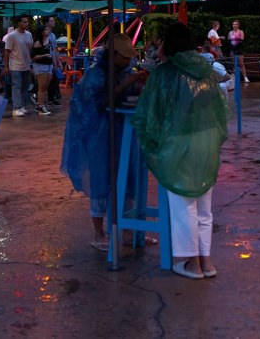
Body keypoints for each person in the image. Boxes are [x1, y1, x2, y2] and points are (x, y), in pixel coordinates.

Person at [134, 22, 228, 280]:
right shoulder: (206, 71)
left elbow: (150, 113)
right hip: (207, 141)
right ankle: (206, 262)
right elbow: (221, 109)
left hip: (179, 143)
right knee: (204, 206)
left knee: (183, 205)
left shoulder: (165, 73)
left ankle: (190, 263)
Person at [60, 34, 145, 251]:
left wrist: (139, 85)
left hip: (123, 130)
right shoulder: (95, 75)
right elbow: (99, 104)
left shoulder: (125, 71)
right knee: (102, 181)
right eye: (125, 58)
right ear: (114, 55)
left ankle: (126, 231)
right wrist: (127, 83)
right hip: (99, 133)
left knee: (126, 178)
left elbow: (130, 94)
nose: (128, 62)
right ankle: (99, 233)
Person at [4, 16, 33, 117]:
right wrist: (6, 66)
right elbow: (7, 51)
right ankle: (16, 107)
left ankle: (22, 106)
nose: (26, 24)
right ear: (19, 23)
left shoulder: (29, 35)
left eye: (27, 22)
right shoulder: (12, 36)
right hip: (15, 65)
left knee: (25, 86)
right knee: (17, 86)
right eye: (24, 22)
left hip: (26, 65)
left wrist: (31, 63)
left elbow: (30, 49)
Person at [31, 24, 55, 115]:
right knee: (41, 87)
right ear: (42, 32)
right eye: (46, 30)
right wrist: (44, 55)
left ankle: (38, 104)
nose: (48, 31)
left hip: (49, 65)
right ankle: (41, 107)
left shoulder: (49, 40)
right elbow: (33, 57)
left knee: (45, 86)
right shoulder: (38, 43)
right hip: (41, 65)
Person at [46, 17, 63, 106]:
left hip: (52, 61)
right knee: (50, 80)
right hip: (46, 61)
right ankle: (51, 98)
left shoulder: (53, 35)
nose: (54, 22)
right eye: (51, 21)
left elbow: (55, 50)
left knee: (54, 79)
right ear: (47, 23)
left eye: (53, 20)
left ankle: (52, 98)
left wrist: (57, 61)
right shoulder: (44, 35)